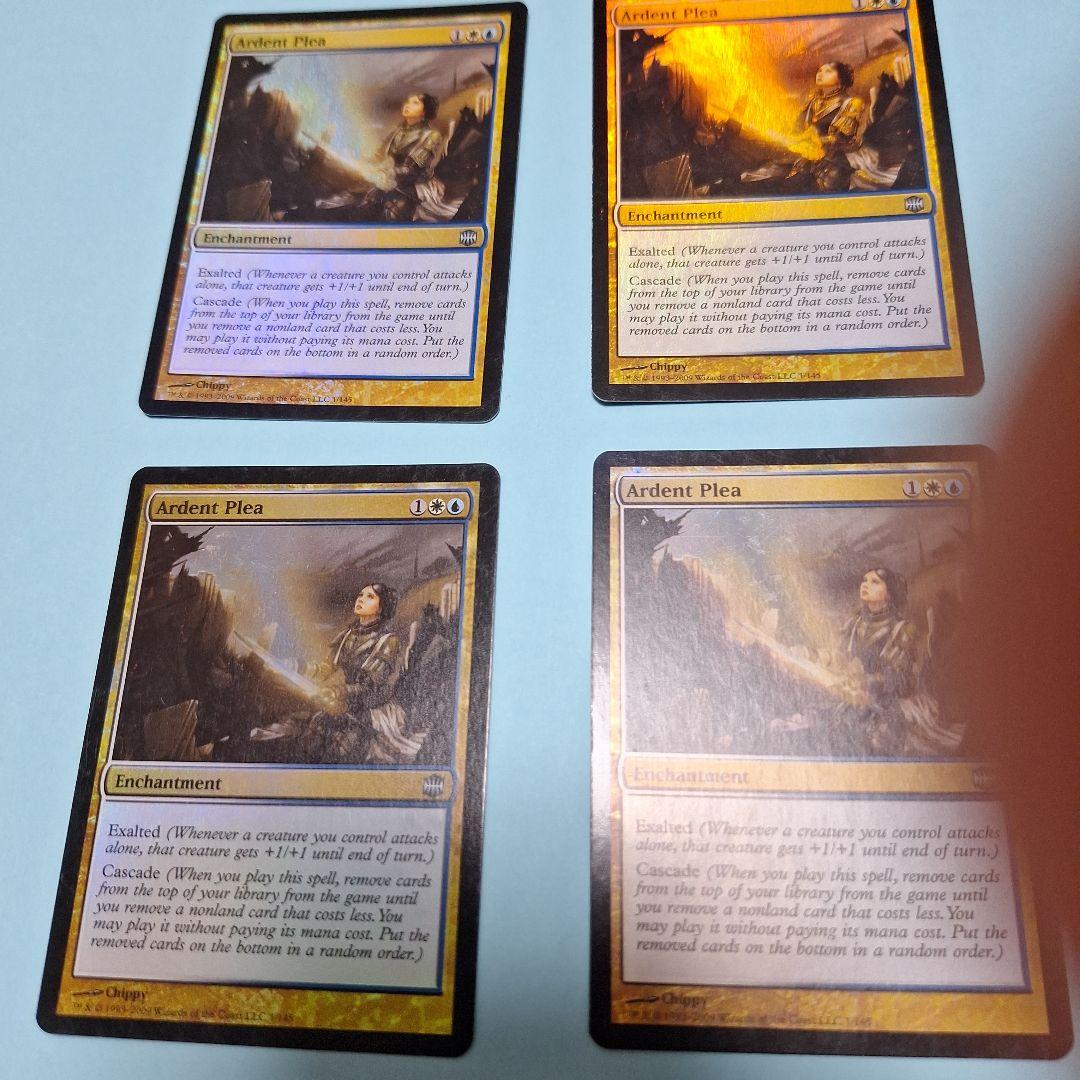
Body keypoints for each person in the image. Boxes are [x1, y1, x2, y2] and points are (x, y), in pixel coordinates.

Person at [316, 582, 424, 764]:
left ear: (380, 608)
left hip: (374, 710)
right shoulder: (347, 635)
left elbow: (369, 686)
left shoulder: (388, 641)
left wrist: (338, 691)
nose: (361, 599)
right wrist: (296, 667)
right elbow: (325, 669)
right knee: (315, 730)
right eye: (360, 595)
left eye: (370, 597)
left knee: (343, 748)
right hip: (349, 701)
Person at [378, 93, 443, 221]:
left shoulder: (431, 136)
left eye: (415, 103)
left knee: (389, 216)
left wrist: (391, 172)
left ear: (424, 111)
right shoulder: (396, 131)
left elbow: (414, 169)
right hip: (384, 182)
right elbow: (379, 155)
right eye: (408, 102)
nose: (408, 105)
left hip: (406, 190)